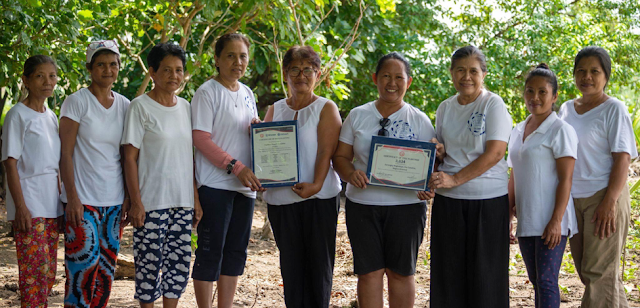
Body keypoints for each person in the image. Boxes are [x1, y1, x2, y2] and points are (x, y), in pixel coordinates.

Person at [333, 52, 436, 308]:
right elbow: (341, 157)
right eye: (386, 76)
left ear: (408, 82)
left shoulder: (420, 120)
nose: (392, 82)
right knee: (368, 273)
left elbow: (430, 165)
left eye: (398, 77)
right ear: (375, 79)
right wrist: (349, 174)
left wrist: (427, 187)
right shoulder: (357, 115)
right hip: (362, 207)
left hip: (406, 208)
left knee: (401, 273)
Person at [428, 45, 513, 308]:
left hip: (487, 202)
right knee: (448, 275)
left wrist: (455, 179)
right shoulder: (445, 107)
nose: (467, 77)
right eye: (460, 70)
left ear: (483, 74)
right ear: (451, 74)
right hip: (449, 203)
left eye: (473, 71)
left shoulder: (493, 104)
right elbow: (444, 153)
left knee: (486, 277)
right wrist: (439, 153)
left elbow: (496, 153)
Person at [121, 42, 201, 308]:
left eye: (179, 70)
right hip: (151, 203)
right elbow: (129, 158)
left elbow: (188, 158)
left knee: (178, 268)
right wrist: (136, 202)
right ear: (153, 72)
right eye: (167, 70)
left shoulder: (187, 108)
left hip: (182, 202)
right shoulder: (140, 106)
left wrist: (195, 199)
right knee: (148, 267)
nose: (174, 76)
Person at [262, 46, 342, 307]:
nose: (301, 76)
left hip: (319, 201)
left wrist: (316, 185)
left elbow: (325, 152)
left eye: (308, 70)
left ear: (318, 74)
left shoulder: (326, 108)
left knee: (318, 270)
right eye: (294, 69)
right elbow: (265, 154)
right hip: (281, 202)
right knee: (292, 270)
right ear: (285, 74)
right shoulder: (273, 110)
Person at [558, 46, 636, 308]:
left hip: (603, 197)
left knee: (599, 274)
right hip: (573, 200)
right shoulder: (567, 109)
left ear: (606, 76)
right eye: (581, 71)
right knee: (588, 271)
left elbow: (623, 158)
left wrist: (609, 203)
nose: (587, 77)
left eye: (594, 71)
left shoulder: (614, 109)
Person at [190, 33, 261, 308]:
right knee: (210, 252)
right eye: (230, 55)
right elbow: (201, 138)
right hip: (215, 186)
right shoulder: (207, 92)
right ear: (217, 60)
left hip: (245, 188)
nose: (237, 61)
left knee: (235, 253)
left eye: (242, 56)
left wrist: (258, 130)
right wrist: (236, 166)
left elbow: (244, 135)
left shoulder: (247, 93)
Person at [59, 39, 131, 308]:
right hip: (83, 201)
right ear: (90, 68)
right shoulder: (76, 102)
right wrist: (73, 199)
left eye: (113, 64)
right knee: (80, 274)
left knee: (105, 274)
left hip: (113, 201)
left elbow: (126, 156)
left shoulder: (125, 105)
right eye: (100, 64)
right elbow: (65, 154)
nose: (107, 70)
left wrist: (127, 196)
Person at [507, 63, 578, 308]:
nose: (534, 97)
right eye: (529, 91)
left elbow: (566, 178)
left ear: (555, 96)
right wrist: (508, 214)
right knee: (536, 281)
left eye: (542, 92)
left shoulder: (561, 130)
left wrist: (556, 220)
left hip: (551, 220)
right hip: (527, 219)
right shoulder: (517, 130)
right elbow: (514, 173)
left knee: (547, 282)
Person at [1, 55, 62, 308]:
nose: (47, 81)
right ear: (26, 80)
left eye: (51, 76)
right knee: (34, 275)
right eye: (39, 76)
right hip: (30, 203)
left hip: (51, 204)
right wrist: (20, 207)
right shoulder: (17, 115)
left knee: (47, 276)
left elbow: (55, 166)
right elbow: (10, 163)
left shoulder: (51, 116)